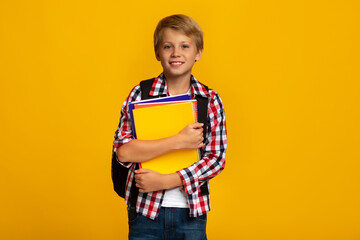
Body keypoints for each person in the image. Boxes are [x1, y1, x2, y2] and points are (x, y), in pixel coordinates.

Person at [113, 14, 227, 240]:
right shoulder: (140, 95)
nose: (176, 53)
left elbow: (216, 159)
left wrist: (166, 181)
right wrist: (179, 141)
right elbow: (124, 152)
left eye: (185, 46)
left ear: (198, 53)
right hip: (145, 212)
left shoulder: (209, 100)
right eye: (168, 46)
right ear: (158, 53)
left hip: (192, 213)